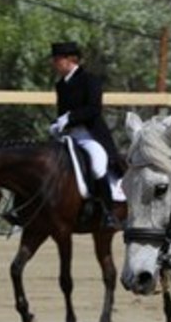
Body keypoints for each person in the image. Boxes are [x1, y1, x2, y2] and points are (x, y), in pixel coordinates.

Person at [48, 40, 121, 229]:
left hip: (89, 135)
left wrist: (70, 118)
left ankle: (109, 213)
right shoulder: (61, 85)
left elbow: (93, 109)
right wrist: (57, 124)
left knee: (97, 166)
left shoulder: (90, 80)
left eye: (56, 60)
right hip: (69, 136)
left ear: (69, 60)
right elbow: (62, 112)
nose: (54, 63)